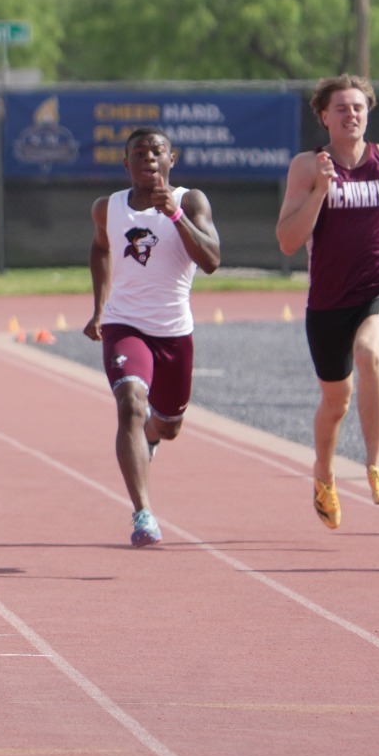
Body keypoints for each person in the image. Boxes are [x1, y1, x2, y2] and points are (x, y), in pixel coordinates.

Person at [276, 74, 379, 530]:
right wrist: (320, 192)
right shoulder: (308, 167)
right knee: (336, 404)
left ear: (368, 114)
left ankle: (376, 465)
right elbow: (287, 241)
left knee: (370, 351)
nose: (351, 115)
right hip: (328, 302)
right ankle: (323, 474)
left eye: (358, 108)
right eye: (342, 108)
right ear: (324, 116)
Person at [82, 127, 222, 547]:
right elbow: (101, 249)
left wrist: (175, 216)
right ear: (126, 162)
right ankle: (143, 513)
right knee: (130, 403)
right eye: (139, 153)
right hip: (124, 325)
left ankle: (152, 437)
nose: (148, 158)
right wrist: (99, 308)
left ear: (171, 160)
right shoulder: (107, 207)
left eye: (156, 152)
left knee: (169, 425)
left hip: (173, 332)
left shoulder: (190, 201)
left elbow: (212, 260)